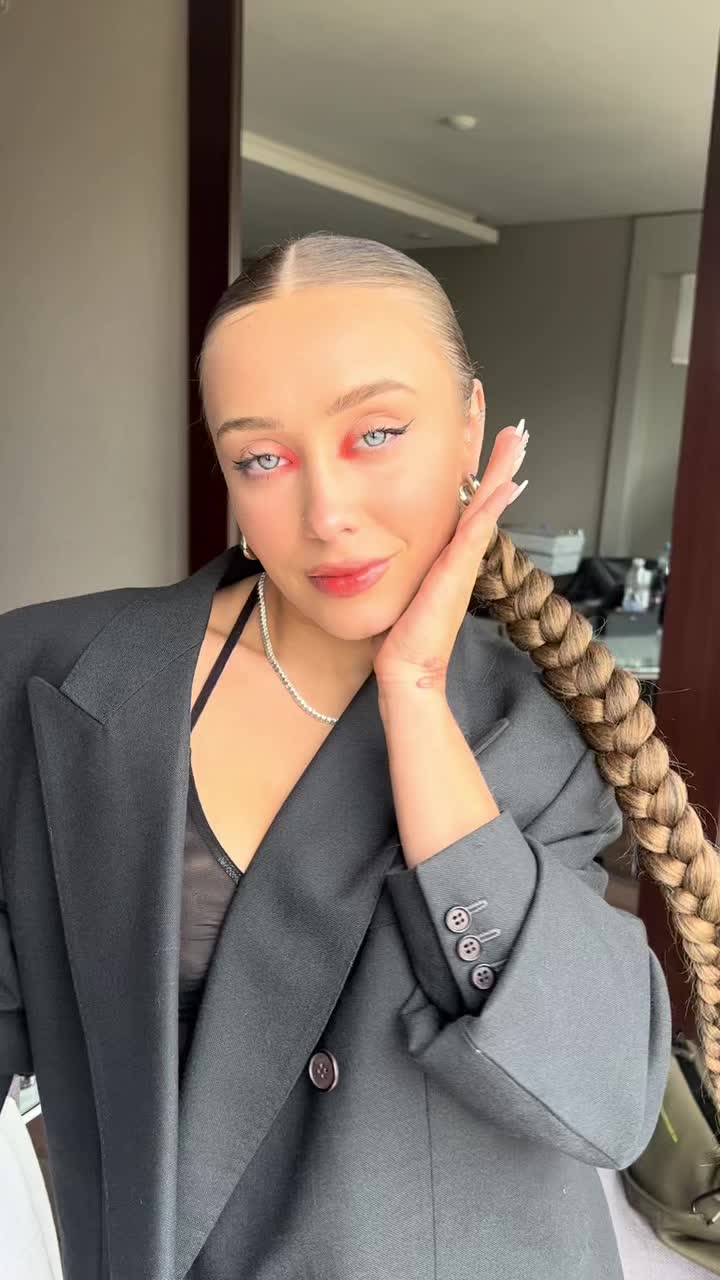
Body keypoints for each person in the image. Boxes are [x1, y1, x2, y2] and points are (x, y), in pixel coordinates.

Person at [0, 230, 710, 1280]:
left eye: (375, 433)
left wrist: (414, 696)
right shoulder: (58, 678)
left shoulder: (537, 730)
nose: (326, 514)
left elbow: (601, 1097)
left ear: (471, 428)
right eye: (263, 457)